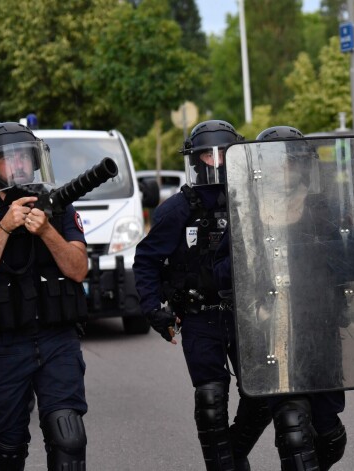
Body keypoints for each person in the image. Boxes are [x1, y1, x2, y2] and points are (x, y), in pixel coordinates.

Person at [133, 120, 272, 471]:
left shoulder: (252, 202)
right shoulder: (177, 209)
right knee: (211, 403)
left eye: (224, 154)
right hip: (200, 316)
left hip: (248, 316)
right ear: (196, 161)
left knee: (265, 393)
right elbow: (146, 260)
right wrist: (153, 310)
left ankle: (234, 455)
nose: (218, 162)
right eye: (209, 156)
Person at [0, 122, 89, 471]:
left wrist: (45, 230)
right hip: (4, 347)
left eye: (24, 157)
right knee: (7, 450)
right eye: (7, 159)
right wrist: (4, 228)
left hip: (58, 339)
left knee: (69, 437)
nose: (18, 166)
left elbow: (77, 269)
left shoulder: (58, 208)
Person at [214, 126, 348, 471]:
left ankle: (228, 456)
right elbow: (222, 270)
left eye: (292, 161)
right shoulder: (246, 212)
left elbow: (350, 264)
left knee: (330, 438)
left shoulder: (323, 211)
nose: (284, 169)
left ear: (305, 165)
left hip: (318, 336)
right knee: (294, 432)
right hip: (270, 335)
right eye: (277, 163)